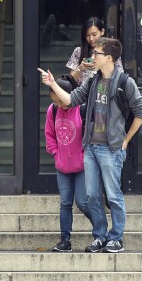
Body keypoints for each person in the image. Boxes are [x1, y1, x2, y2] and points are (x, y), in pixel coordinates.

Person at [39, 37, 142, 253]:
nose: (92, 56)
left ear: (108, 57)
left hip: (111, 148)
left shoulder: (125, 82)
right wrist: (52, 83)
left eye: (96, 53)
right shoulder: (92, 81)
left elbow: (141, 112)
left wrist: (126, 140)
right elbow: (71, 99)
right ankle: (100, 236)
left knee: (113, 194)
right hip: (91, 147)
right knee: (91, 196)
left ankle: (116, 237)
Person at [44, 76, 91, 252]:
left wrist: (84, 156)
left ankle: (101, 230)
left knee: (83, 202)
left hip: (82, 165)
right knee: (65, 203)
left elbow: (89, 136)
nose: (59, 104)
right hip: (62, 166)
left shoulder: (82, 109)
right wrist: (56, 154)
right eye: (55, 101)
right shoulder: (53, 111)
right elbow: (49, 135)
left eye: (61, 100)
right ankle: (65, 240)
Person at [66, 17, 123, 85]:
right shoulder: (79, 51)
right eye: (87, 35)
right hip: (82, 93)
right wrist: (81, 67)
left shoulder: (111, 51)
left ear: (102, 32)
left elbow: (120, 76)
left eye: (94, 34)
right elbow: (71, 81)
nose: (91, 39)